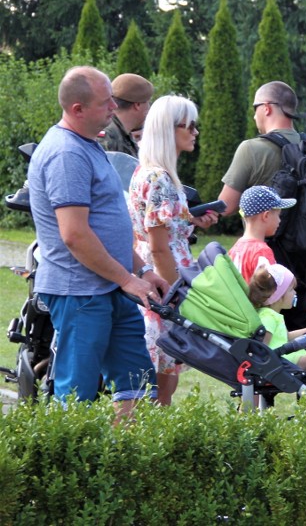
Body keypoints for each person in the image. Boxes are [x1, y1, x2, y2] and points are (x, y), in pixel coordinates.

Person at [27, 66, 170, 415]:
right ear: (78, 109)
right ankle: (69, 467)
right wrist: (127, 279)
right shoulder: (66, 154)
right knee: (77, 393)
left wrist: (144, 270)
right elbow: (75, 235)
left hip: (111, 287)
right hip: (80, 293)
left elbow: (110, 225)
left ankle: (127, 460)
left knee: (137, 381)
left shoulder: (89, 144)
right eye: (106, 103)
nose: (113, 108)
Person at [127, 95, 219, 406]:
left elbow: (154, 228)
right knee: (161, 385)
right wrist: (175, 296)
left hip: (152, 276)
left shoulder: (146, 171)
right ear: (169, 130)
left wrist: (191, 220)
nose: (195, 132)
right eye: (189, 125)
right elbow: (160, 246)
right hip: (163, 282)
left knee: (154, 376)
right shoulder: (161, 178)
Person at [218, 81, 306, 331]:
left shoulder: (251, 149)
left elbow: (227, 205)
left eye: (255, 109)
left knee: (266, 340)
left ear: (266, 108)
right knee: (301, 339)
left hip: (268, 259)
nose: (254, 115)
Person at [228, 185, 295, 283]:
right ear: (266, 216)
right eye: (278, 215)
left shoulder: (236, 248)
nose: (279, 220)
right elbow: (269, 291)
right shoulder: (262, 252)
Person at [97, 73, 153, 156]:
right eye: (147, 102)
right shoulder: (108, 137)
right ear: (137, 105)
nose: (149, 108)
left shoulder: (124, 134)